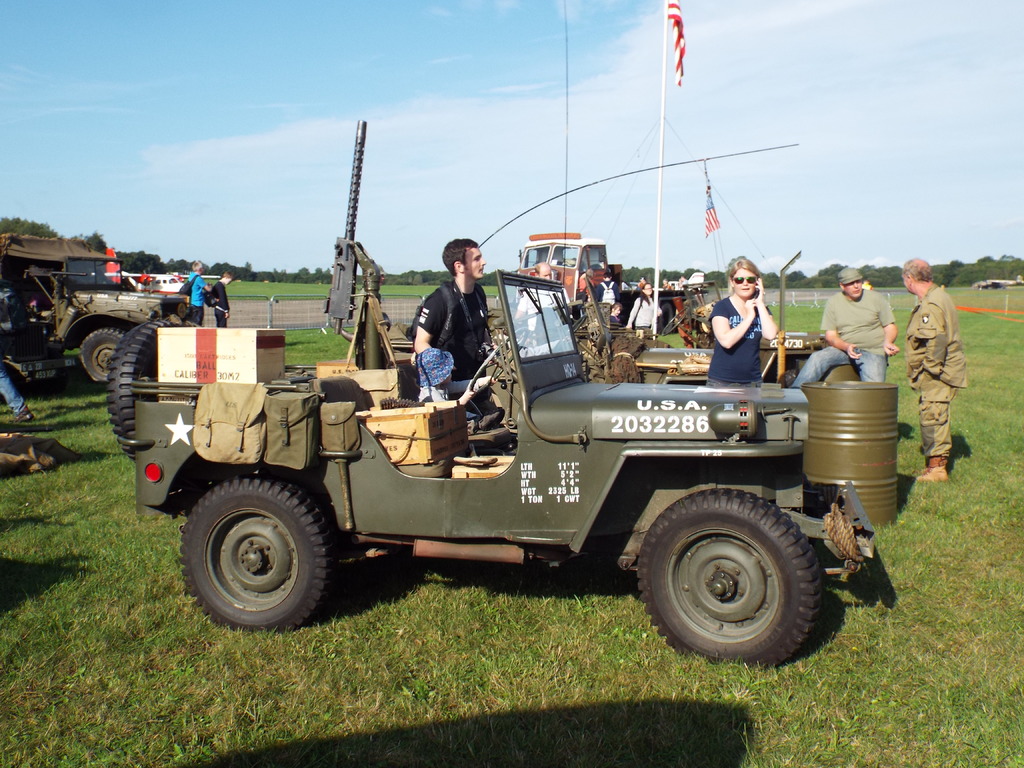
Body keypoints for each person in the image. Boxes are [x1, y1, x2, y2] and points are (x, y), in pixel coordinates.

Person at [902, 258, 967, 482]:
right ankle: (933, 466)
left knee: (934, 415)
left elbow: (937, 339)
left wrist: (928, 370)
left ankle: (938, 469)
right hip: (943, 368)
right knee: (933, 413)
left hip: (938, 373)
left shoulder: (931, 303)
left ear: (909, 279)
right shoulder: (939, 296)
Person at [791, 267, 900, 387]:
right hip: (844, 349)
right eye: (851, 283)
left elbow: (890, 326)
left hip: (872, 349)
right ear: (842, 286)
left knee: (874, 388)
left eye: (858, 281)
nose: (856, 286)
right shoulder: (833, 302)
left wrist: (888, 342)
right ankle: (795, 394)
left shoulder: (876, 298)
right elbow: (831, 336)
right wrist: (846, 347)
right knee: (818, 357)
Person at [413, 238, 491, 384]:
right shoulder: (439, 300)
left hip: (478, 382)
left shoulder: (479, 293)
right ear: (459, 266)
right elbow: (420, 343)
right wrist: (441, 368)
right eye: (477, 259)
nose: (484, 262)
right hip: (450, 387)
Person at [705, 257, 778, 387]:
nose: (745, 283)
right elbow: (726, 341)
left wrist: (760, 303)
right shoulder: (722, 307)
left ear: (757, 282)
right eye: (739, 280)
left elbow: (770, 334)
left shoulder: (762, 310)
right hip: (722, 382)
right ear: (732, 282)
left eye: (750, 280)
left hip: (753, 381)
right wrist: (749, 317)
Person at [416, 347, 490, 409]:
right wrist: (465, 398)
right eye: (449, 371)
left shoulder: (442, 386)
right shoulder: (431, 394)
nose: (453, 370)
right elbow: (448, 409)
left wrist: (482, 381)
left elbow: (462, 385)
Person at [186, 261, 211, 325]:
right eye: (202, 268)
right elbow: (208, 289)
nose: (203, 270)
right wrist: (210, 286)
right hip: (198, 303)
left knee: (192, 321)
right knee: (198, 322)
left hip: (192, 302)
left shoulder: (191, 276)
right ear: (199, 269)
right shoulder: (198, 278)